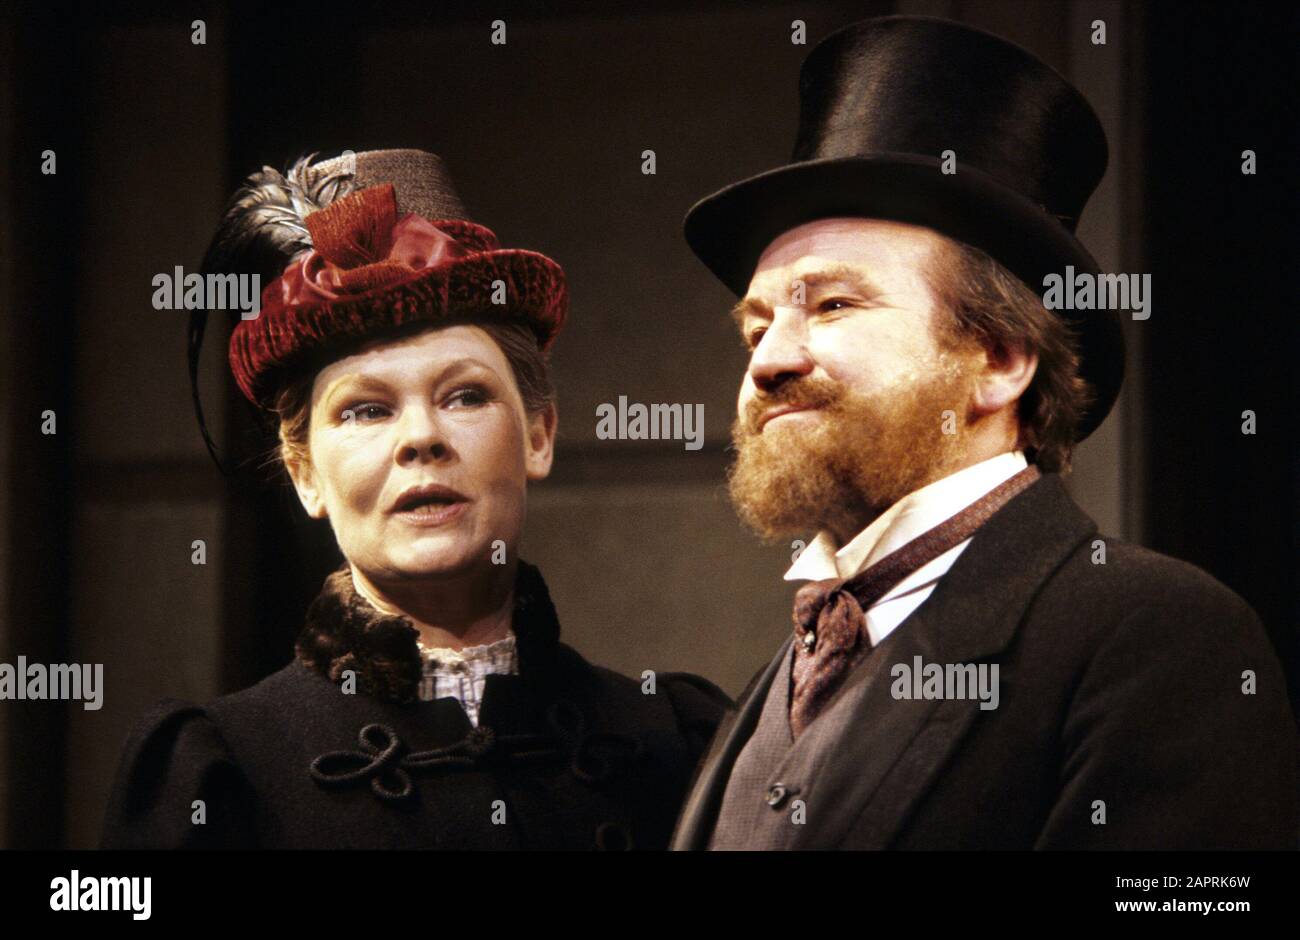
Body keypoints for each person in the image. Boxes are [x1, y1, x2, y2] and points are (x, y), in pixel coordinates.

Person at [671, 16, 1298, 850]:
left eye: (833, 305)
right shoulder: (766, 689)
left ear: (999, 359)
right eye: (755, 328)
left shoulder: (1163, 638)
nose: (770, 360)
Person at [101, 148, 728, 850]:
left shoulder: (681, 740)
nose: (422, 438)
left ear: (540, 434)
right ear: (304, 470)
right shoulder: (219, 774)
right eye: (366, 410)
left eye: (465, 395)